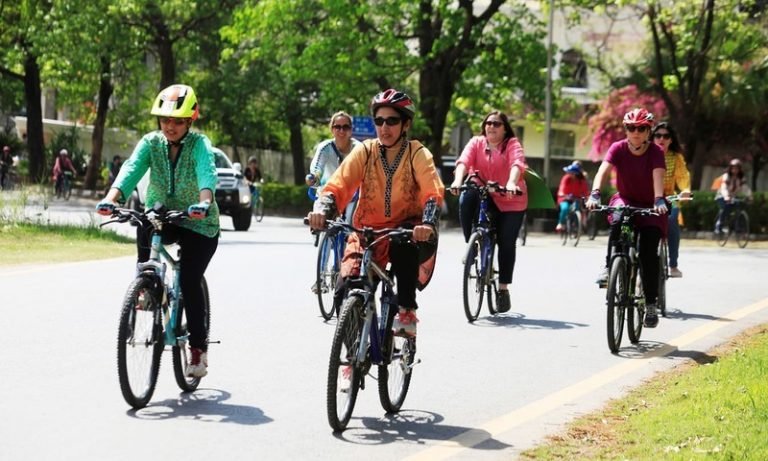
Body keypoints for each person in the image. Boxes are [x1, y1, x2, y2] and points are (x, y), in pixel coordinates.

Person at [96, 84, 220, 378]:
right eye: (165, 120)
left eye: (177, 121)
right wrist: (111, 199)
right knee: (144, 224)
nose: (170, 126)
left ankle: (198, 349)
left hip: (199, 222)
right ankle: (146, 285)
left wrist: (204, 202)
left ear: (191, 120)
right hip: (162, 214)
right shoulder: (151, 143)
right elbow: (131, 168)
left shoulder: (200, 145)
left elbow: (207, 172)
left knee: (189, 280)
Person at [307, 89, 444, 337]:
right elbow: (339, 183)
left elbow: (432, 190)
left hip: (406, 231)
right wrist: (323, 209)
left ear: (406, 124)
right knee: (343, 288)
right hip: (366, 232)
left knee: (404, 248)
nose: (384, 127)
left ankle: (405, 313)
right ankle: (353, 352)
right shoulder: (365, 151)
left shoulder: (418, 153)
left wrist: (428, 222)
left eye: (392, 121)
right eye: (379, 121)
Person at [586, 108, 668, 328]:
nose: (636, 132)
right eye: (631, 128)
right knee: (618, 218)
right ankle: (609, 266)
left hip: (651, 205)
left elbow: (658, 175)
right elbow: (603, 171)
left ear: (648, 130)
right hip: (625, 199)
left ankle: (650, 304)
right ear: (626, 130)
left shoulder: (655, 152)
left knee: (649, 253)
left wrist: (659, 199)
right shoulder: (618, 148)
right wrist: (595, 193)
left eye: (641, 128)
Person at [448, 110, 527, 313]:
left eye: (497, 124)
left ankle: (503, 289)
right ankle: (473, 244)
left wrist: (511, 182)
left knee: (507, 242)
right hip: (484, 191)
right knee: (466, 198)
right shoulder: (476, 142)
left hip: (510, 198)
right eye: (488, 123)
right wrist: (458, 180)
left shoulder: (512, 144)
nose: (491, 126)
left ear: (504, 128)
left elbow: (517, 163)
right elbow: (464, 161)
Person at [306, 111, 362, 220]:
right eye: (337, 127)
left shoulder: (359, 149)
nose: (341, 131)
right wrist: (314, 178)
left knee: (352, 227)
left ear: (351, 130)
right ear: (332, 129)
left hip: (351, 196)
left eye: (345, 127)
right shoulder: (325, 148)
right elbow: (317, 168)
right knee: (319, 224)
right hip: (326, 195)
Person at [652, 122, 691, 277]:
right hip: (647, 196)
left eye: (666, 136)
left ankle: (673, 265)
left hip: (670, 196)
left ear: (671, 140)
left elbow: (683, 176)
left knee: (672, 219)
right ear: (653, 137)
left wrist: (686, 190)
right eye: (658, 135)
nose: (662, 139)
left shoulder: (676, 157)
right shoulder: (647, 153)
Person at [714, 158, 752, 234]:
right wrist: (726, 196)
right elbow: (724, 187)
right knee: (726, 207)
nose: (735, 170)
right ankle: (719, 226)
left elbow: (745, 188)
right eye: (733, 168)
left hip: (732, 197)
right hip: (722, 196)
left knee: (739, 206)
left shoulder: (741, 178)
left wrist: (750, 196)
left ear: (739, 169)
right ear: (730, 169)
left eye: (737, 168)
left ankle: (737, 227)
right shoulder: (726, 176)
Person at [555, 161, 589, 232]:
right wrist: (563, 194)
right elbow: (562, 189)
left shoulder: (582, 181)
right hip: (564, 198)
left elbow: (585, 191)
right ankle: (560, 223)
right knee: (565, 208)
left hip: (576, 199)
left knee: (577, 208)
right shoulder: (566, 178)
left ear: (575, 174)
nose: (569, 174)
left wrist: (587, 198)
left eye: (571, 173)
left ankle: (576, 225)